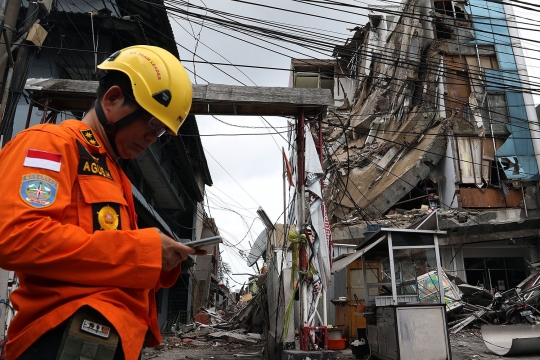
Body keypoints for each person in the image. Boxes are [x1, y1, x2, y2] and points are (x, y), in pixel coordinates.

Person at [0, 45, 204, 360]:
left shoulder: (114, 173)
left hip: (103, 340)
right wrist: (144, 251)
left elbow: (106, 257)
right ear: (111, 99)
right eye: (151, 123)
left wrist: (163, 258)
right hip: (58, 338)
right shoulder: (50, 145)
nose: (153, 137)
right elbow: (17, 237)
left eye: (161, 131)